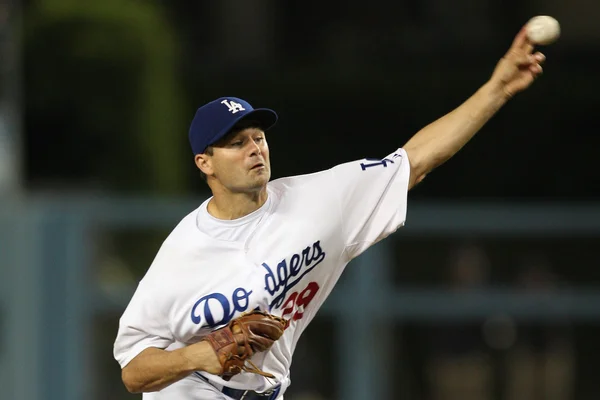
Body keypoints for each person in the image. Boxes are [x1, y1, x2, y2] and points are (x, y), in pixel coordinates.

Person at [113, 25, 547, 400]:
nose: (254, 149)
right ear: (204, 163)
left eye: (257, 136)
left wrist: (498, 88)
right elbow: (133, 372)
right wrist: (197, 355)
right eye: (235, 142)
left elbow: (417, 159)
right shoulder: (183, 252)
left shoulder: (321, 200)